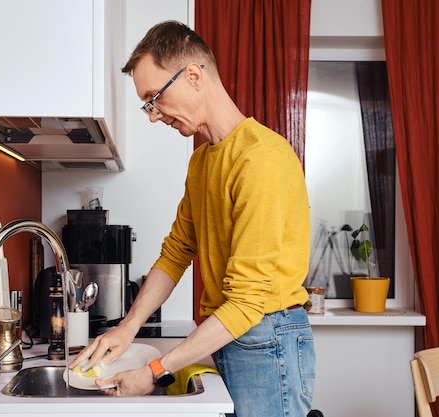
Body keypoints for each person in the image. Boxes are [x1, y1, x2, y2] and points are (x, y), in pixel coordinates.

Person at [69, 20, 315, 417]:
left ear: (195, 77)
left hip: (267, 338)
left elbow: (249, 302)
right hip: (232, 333)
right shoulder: (202, 161)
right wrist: (128, 327)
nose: (153, 116)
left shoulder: (261, 158)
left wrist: (156, 370)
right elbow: (176, 253)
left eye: (155, 98)